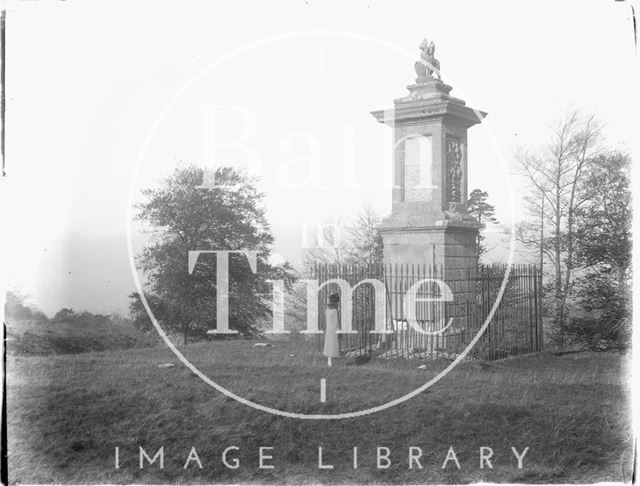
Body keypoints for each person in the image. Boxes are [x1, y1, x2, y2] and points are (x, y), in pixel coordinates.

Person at [323, 293, 341, 365]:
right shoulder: (334, 311)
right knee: (334, 344)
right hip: (334, 329)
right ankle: (332, 360)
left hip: (328, 328)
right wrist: (339, 331)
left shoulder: (327, 310)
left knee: (328, 344)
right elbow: (336, 322)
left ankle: (329, 360)